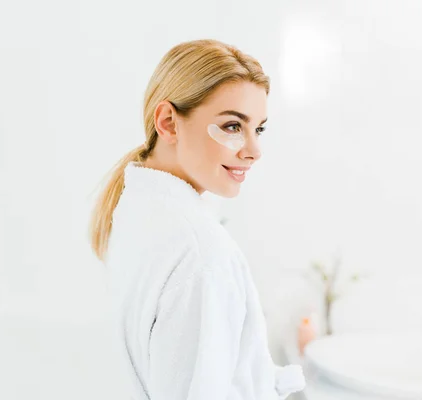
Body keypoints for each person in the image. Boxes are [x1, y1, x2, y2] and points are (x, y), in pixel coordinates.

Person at [89, 39, 306, 400]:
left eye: (259, 129)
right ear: (169, 122)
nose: (254, 151)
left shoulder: (137, 211)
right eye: (234, 126)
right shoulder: (201, 255)